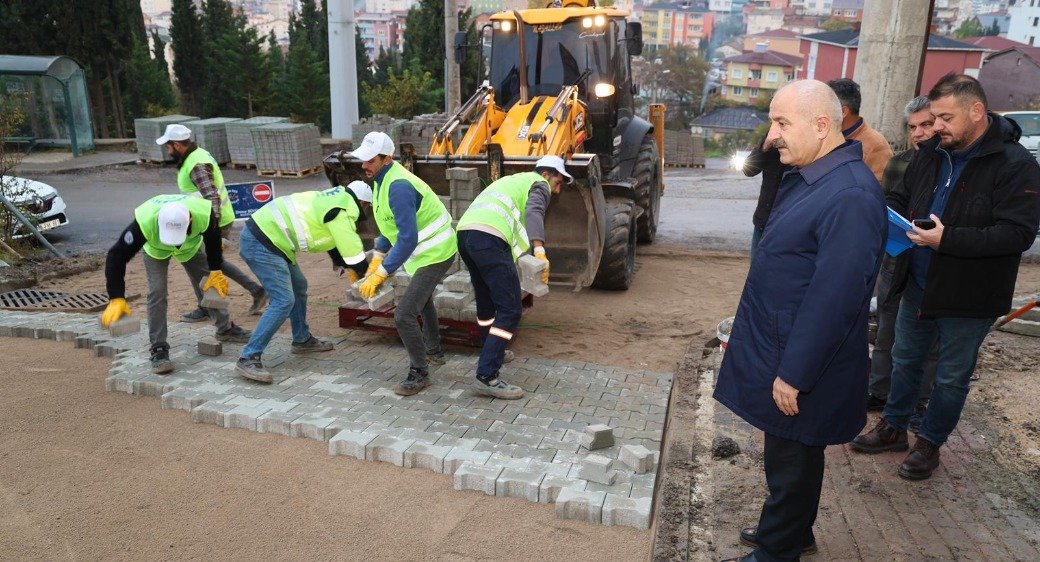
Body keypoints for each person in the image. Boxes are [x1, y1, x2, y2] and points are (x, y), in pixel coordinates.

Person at [714, 80, 886, 562]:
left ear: (822, 125)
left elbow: (836, 297)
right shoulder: (816, 176)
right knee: (791, 452)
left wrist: (796, 372)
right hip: (784, 341)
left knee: (793, 457)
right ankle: (791, 530)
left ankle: (778, 548)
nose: (772, 136)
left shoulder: (849, 194)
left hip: (801, 356)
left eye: (782, 123)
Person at [851, 73, 1040, 481]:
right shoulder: (933, 153)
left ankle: (929, 445)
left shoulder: (1016, 165)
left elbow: (1019, 234)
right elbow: (901, 196)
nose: (935, 127)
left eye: (944, 118)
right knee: (904, 360)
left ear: (976, 112)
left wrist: (947, 239)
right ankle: (893, 427)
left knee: (951, 378)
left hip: (970, 295)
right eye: (933, 117)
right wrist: (887, 214)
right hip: (917, 281)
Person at [352, 131, 458, 396]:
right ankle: (434, 351)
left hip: (437, 251)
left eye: (370, 160)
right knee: (423, 301)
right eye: (363, 160)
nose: (364, 165)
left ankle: (420, 372)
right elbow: (390, 226)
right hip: (423, 252)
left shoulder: (398, 186)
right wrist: (378, 254)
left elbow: (408, 238)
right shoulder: (380, 180)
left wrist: (382, 273)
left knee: (404, 313)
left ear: (387, 159)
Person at [234, 182, 373, 383]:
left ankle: (302, 339)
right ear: (362, 202)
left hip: (273, 240)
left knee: (299, 286)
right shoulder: (341, 212)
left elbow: (333, 243)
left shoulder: (333, 201)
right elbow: (355, 257)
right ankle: (248, 357)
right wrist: (370, 278)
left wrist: (345, 265)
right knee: (283, 301)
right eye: (367, 206)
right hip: (261, 242)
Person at [100, 194, 252, 374]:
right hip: (156, 251)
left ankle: (225, 329)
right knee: (157, 292)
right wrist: (116, 298)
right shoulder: (144, 222)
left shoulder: (204, 213)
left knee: (212, 285)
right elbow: (116, 256)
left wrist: (216, 271)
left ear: (189, 221)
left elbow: (212, 243)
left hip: (191, 248)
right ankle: (158, 348)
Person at [455, 155, 567, 399]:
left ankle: (490, 349)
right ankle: (487, 375)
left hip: (465, 235)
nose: (557, 190)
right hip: (489, 239)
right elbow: (535, 211)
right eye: (558, 182)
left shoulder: (514, 180)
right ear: (546, 174)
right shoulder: (539, 184)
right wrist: (539, 249)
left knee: (487, 304)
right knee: (511, 309)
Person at [867, 96, 938, 432]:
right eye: (913, 127)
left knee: (927, 343)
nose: (919, 133)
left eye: (926, 125)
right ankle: (878, 392)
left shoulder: (951, 167)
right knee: (886, 331)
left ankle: (919, 403)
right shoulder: (899, 164)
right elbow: (888, 204)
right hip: (895, 261)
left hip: (932, 268)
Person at [154, 124, 268, 323]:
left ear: (177, 145)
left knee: (196, 261)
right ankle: (255, 290)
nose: (167, 150)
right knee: (212, 262)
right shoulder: (195, 156)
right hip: (209, 220)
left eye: (168, 146)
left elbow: (211, 197)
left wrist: (212, 231)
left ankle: (208, 307)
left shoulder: (196, 164)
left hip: (211, 222)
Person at [827, 78, 894, 182]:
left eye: (825, 107)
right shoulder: (824, 135)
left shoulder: (876, 145)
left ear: (843, 112)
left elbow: (877, 191)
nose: (820, 112)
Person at [741, 137, 789, 258]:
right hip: (763, 221)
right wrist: (764, 147)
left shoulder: (806, 139)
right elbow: (748, 170)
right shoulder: (771, 138)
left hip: (789, 226)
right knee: (756, 270)